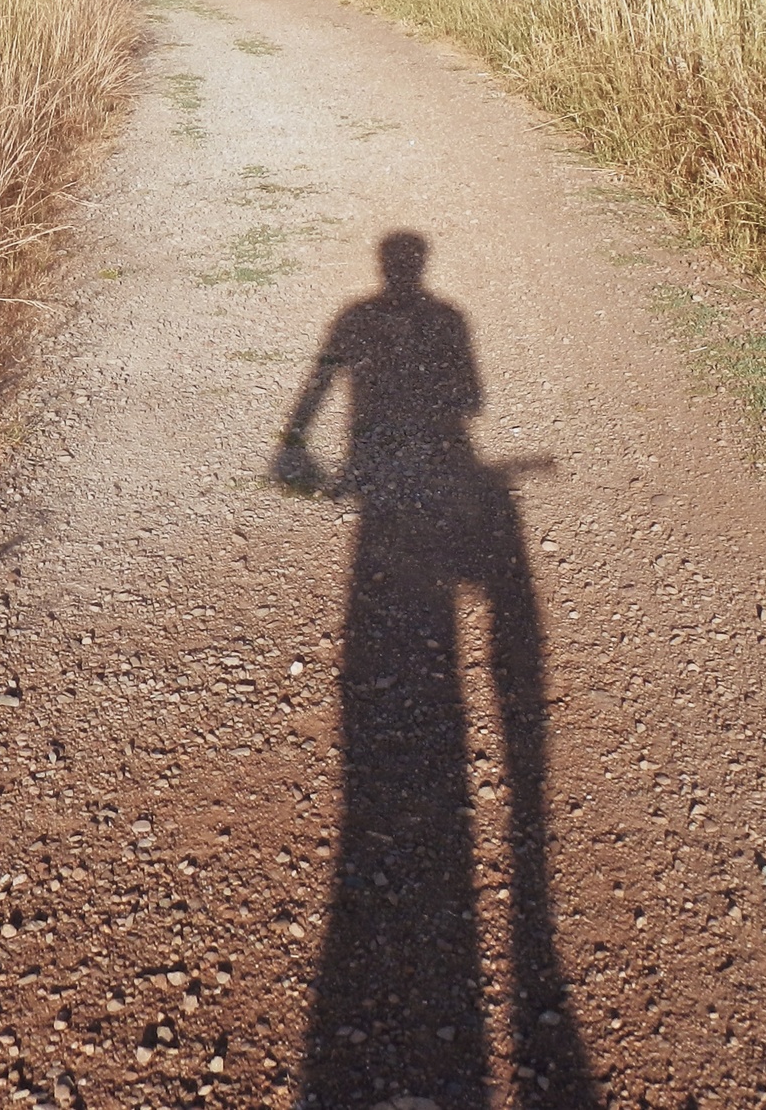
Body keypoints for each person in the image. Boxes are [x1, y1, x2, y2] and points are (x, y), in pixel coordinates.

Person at [274, 232, 594, 1109]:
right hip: (425, 479)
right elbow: (470, 400)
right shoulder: (447, 319)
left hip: (373, 494)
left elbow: (321, 383)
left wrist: (302, 447)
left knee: (380, 641)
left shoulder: (357, 316)